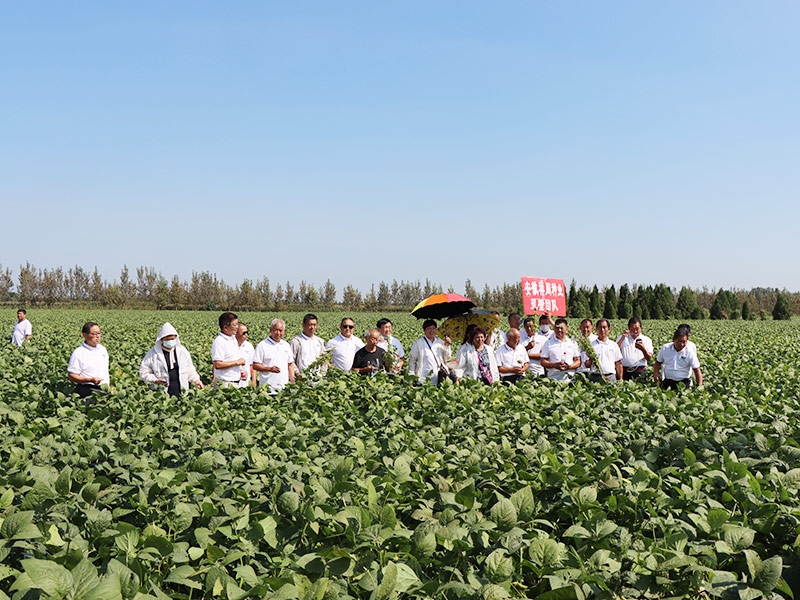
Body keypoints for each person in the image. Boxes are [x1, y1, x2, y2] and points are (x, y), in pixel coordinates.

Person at [139, 322, 204, 397]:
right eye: (167, 339)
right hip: (161, 391)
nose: (170, 341)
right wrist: (155, 380)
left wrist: (196, 380)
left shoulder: (182, 351)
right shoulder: (152, 354)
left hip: (181, 390)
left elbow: (189, 369)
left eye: (172, 339)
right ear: (162, 339)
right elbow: (143, 372)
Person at [67, 321, 109, 401]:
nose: (98, 336)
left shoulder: (102, 349)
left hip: (104, 390)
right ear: (84, 335)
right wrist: (90, 380)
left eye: (99, 333)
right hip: (87, 391)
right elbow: (71, 376)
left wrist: (108, 386)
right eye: (94, 334)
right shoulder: (79, 352)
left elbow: (105, 370)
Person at [654, 325, 703, 390]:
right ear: (673, 339)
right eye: (679, 341)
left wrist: (699, 387)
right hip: (668, 381)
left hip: (684, 383)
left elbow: (697, 370)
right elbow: (658, 363)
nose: (682, 344)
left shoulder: (690, 352)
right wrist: (655, 373)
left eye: (684, 341)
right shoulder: (665, 348)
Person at [252, 319, 295, 392]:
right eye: (276, 330)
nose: (278, 333)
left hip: (284, 388)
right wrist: (269, 369)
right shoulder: (262, 345)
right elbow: (255, 365)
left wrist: (292, 381)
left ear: (284, 331)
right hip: (267, 389)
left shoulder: (286, 345)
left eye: (280, 330)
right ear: (270, 330)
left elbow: (290, 365)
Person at [408, 319, 452, 384]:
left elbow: (447, 358)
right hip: (423, 379)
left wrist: (447, 346)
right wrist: (411, 376)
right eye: (429, 328)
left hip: (439, 378)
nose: (431, 331)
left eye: (434, 328)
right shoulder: (418, 343)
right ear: (424, 330)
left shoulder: (440, 342)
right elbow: (412, 361)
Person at [540, 318, 581, 382]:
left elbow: (578, 361)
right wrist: (555, 365)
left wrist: (569, 367)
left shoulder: (572, 343)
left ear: (567, 330)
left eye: (561, 328)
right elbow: (543, 361)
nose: (559, 330)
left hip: (570, 380)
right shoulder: (548, 343)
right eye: (557, 328)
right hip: (553, 379)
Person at [211, 312, 246, 388]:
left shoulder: (233, 339)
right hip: (224, 384)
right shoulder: (219, 341)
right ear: (225, 328)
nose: (237, 327)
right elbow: (217, 364)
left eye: (237, 324)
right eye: (235, 325)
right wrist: (237, 362)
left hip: (234, 382)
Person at [616, 317, 654, 381]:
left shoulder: (646, 340)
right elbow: (615, 350)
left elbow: (649, 358)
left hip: (640, 372)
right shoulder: (622, 338)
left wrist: (642, 349)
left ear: (641, 328)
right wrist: (622, 338)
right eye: (632, 329)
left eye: (637, 329)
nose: (635, 331)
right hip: (624, 371)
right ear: (628, 329)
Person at [290, 313, 326, 379]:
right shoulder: (296, 341)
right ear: (303, 325)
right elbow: (290, 360)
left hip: (317, 378)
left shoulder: (320, 341)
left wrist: (323, 375)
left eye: (314, 325)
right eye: (310, 325)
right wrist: (297, 374)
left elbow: (323, 359)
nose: (312, 327)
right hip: (302, 378)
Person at [236, 323, 255, 387]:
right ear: (236, 333)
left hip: (245, 383)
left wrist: (253, 381)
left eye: (247, 332)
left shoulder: (249, 346)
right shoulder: (229, 346)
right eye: (244, 333)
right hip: (232, 382)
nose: (246, 335)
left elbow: (252, 365)